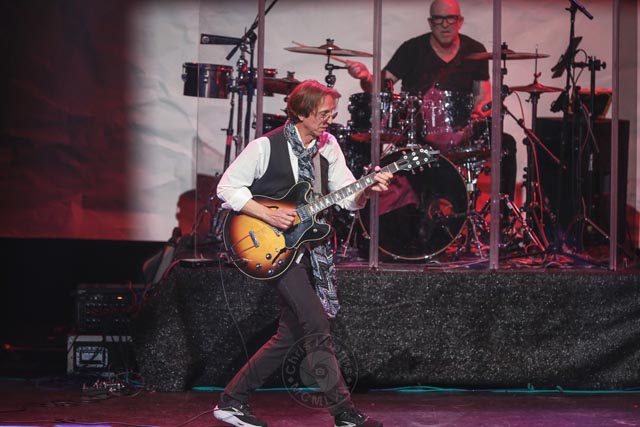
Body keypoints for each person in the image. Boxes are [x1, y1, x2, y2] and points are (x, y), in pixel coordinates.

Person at [214, 80, 391, 427]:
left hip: (305, 248)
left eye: (332, 113)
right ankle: (343, 413)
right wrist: (267, 215)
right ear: (302, 112)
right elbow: (227, 187)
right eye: (324, 113)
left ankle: (231, 401)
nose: (330, 119)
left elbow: (346, 197)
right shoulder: (266, 146)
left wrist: (367, 189)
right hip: (271, 247)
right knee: (316, 323)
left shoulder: (329, 145)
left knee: (289, 335)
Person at [347, 0, 517, 205]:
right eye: (439, 19)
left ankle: (504, 214)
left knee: (506, 143)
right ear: (430, 22)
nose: (445, 25)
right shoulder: (412, 49)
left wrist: (477, 116)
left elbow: (484, 97)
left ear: (460, 21)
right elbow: (380, 86)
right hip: (419, 136)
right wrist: (366, 77)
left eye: (450, 19)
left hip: (462, 133)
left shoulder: (475, 50)